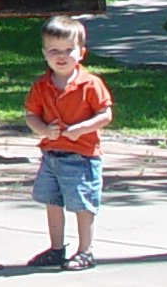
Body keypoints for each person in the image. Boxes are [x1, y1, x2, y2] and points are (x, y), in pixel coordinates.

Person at [23, 14, 112, 268]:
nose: (61, 56)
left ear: (81, 52)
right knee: (52, 202)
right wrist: (43, 130)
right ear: (44, 53)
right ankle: (56, 248)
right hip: (52, 155)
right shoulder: (41, 85)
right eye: (54, 51)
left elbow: (106, 114)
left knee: (83, 205)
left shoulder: (91, 84)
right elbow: (32, 115)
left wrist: (82, 129)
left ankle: (86, 251)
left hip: (82, 156)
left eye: (68, 50)